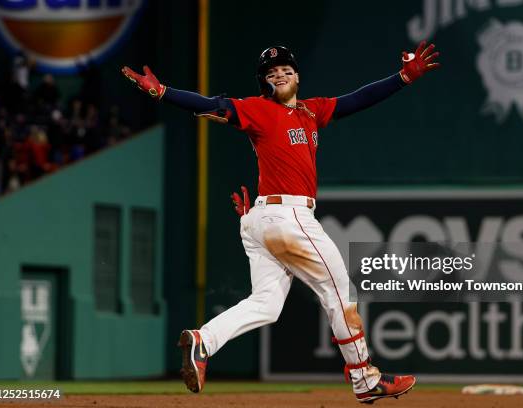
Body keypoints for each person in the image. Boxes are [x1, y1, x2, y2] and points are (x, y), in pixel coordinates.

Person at [122, 41, 440, 404]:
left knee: (267, 304)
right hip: (286, 216)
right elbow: (213, 106)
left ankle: (203, 341)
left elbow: (357, 99)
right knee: (340, 291)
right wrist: (164, 93)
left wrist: (402, 77)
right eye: (272, 73)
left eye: (287, 69)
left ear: (298, 76)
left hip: (265, 219)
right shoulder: (259, 109)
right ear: (265, 84)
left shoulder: (311, 111)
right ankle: (365, 377)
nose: (281, 74)